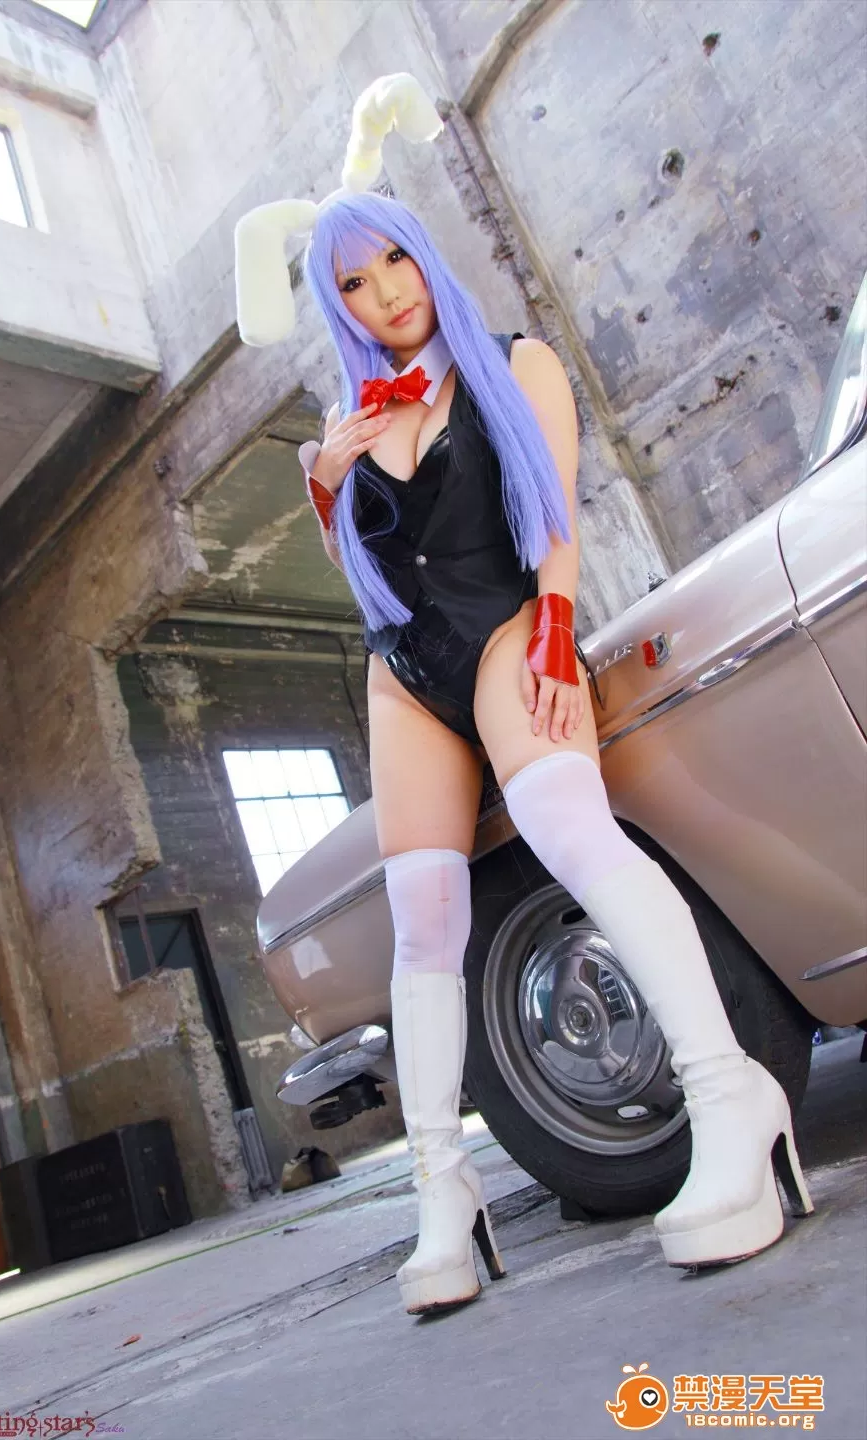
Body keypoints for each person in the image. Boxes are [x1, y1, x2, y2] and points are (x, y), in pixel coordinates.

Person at [235, 75, 812, 1318]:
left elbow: (550, 512)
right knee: (424, 919)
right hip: (405, 673)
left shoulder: (513, 362)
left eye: (395, 261)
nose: (386, 293)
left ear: (422, 254)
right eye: (353, 283)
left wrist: (554, 626)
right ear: (336, 307)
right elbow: (367, 576)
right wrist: (326, 485)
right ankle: (443, 1197)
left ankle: (732, 1096)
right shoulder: (340, 421)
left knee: (570, 832)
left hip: (508, 623)